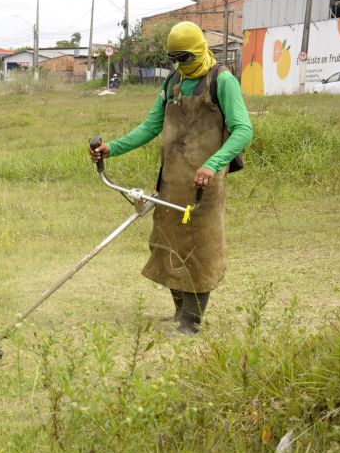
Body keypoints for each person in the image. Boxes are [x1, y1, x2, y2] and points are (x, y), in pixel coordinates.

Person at [89, 21, 253, 334]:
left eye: (185, 58)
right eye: (173, 59)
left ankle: (191, 320)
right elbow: (150, 127)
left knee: (200, 249)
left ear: (200, 51)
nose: (179, 65)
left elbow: (244, 129)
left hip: (204, 185)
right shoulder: (173, 83)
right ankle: (180, 311)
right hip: (170, 182)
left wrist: (213, 163)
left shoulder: (223, 81)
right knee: (168, 246)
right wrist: (112, 148)